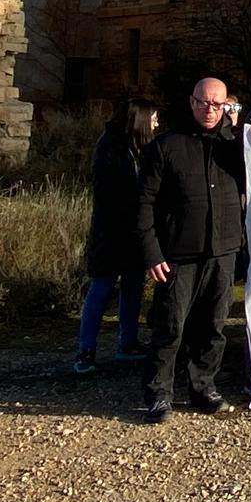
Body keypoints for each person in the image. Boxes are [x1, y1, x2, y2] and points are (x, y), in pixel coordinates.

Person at [137, 77, 245, 423]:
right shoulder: (165, 146)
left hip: (222, 251)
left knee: (212, 326)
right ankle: (159, 395)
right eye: (204, 103)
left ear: (227, 106)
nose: (211, 110)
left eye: (218, 104)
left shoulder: (234, 145)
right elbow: (143, 204)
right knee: (170, 327)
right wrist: (151, 252)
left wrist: (240, 131)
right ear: (192, 102)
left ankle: (203, 388)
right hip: (177, 254)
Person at [74, 98, 158, 374]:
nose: (157, 124)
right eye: (154, 118)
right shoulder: (111, 148)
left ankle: (128, 342)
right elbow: (115, 194)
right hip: (111, 233)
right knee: (101, 289)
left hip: (133, 233)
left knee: (133, 287)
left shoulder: (140, 150)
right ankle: (85, 350)